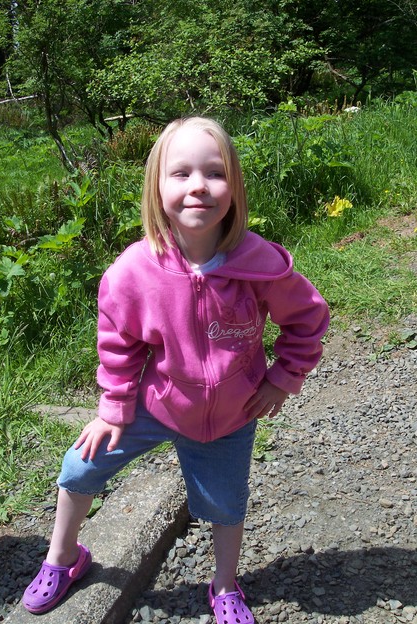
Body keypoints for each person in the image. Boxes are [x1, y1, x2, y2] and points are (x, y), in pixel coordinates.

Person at [22, 116, 329, 623]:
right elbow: (117, 341)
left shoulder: (260, 263)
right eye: (180, 173)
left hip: (231, 415)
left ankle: (224, 584)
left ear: (234, 186)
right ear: (156, 186)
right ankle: (63, 557)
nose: (198, 187)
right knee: (79, 467)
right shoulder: (134, 271)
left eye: (214, 173)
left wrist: (283, 377)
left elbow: (308, 317)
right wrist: (115, 408)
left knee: (227, 505)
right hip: (156, 403)